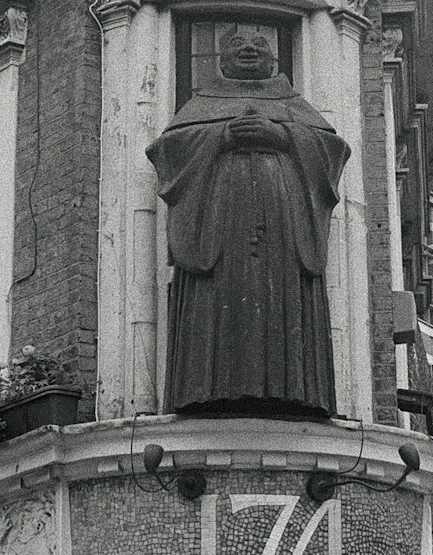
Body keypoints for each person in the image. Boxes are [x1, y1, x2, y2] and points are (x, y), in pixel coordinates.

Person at [146, 28, 350, 416]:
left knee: (282, 295)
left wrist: (286, 137)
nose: (251, 49)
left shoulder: (294, 106)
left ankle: (296, 393)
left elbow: (334, 150)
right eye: (239, 45)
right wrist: (220, 136)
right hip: (218, 229)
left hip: (284, 233)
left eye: (260, 45)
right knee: (221, 297)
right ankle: (205, 390)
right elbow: (166, 150)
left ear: (274, 60)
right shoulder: (202, 104)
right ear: (220, 60)